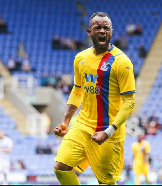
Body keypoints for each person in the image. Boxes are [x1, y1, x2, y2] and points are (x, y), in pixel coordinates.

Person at [53, 12, 136, 185]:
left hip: (109, 132)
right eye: (98, 27)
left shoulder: (122, 62)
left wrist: (109, 131)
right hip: (82, 126)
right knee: (61, 168)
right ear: (89, 31)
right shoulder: (80, 58)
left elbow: (129, 102)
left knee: (105, 182)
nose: (102, 30)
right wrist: (65, 122)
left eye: (106, 27)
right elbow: (77, 91)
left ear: (111, 32)